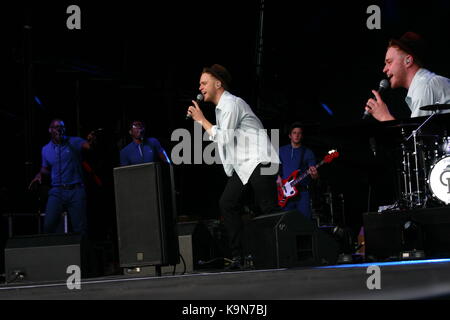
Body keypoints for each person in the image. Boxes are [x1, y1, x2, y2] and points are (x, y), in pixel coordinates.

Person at [186, 64, 280, 269]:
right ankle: (239, 257)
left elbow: (225, 138)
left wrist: (201, 120)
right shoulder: (221, 109)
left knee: (268, 207)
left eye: (204, 83)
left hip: (260, 159)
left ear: (218, 83)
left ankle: (281, 254)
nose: (200, 87)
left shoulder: (230, 104)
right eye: (200, 84)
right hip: (245, 166)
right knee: (227, 203)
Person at [29, 119, 95, 235]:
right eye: (56, 127)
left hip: (76, 190)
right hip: (57, 192)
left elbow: (88, 146)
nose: (59, 129)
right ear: (50, 130)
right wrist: (38, 175)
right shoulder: (45, 149)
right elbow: (45, 168)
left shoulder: (74, 142)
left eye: (62, 127)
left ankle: (82, 252)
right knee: (49, 226)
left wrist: (91, 141)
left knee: (80, 229)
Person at [365, 32, 450, 121]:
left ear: (408, 61)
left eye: (389, 62)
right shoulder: (422, 84)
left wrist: (384, 117)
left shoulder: (424, 86)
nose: (384, 69)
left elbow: (418, 134)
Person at [278, 122, 319, 219]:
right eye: (294, 133)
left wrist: (314, 174)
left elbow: (314, 176)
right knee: (285, 223)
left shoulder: (308, 152)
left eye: (299, 133)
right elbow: (274, 168)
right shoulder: (281, 150)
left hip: (302, 193)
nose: (297, 135)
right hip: (284, 193)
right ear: (290, 135)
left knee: (305, 223)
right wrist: (277, 177)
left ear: (302, 136)